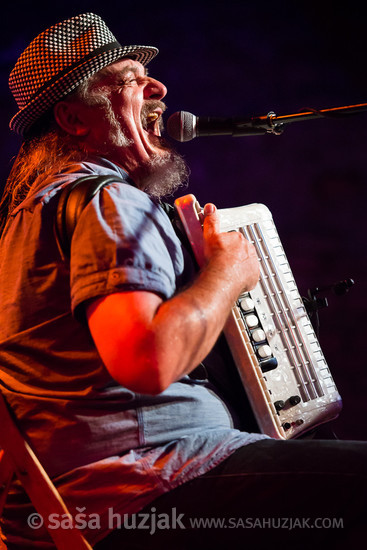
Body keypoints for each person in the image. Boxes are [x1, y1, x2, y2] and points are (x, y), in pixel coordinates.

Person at [0, 12, 366, 550]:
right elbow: (147, 360)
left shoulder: (28, 217)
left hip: (81, 505)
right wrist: (228, 272)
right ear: (75, 121)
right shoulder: (109, 199)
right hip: (150, 484)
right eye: (128, 80)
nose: (159, 87)